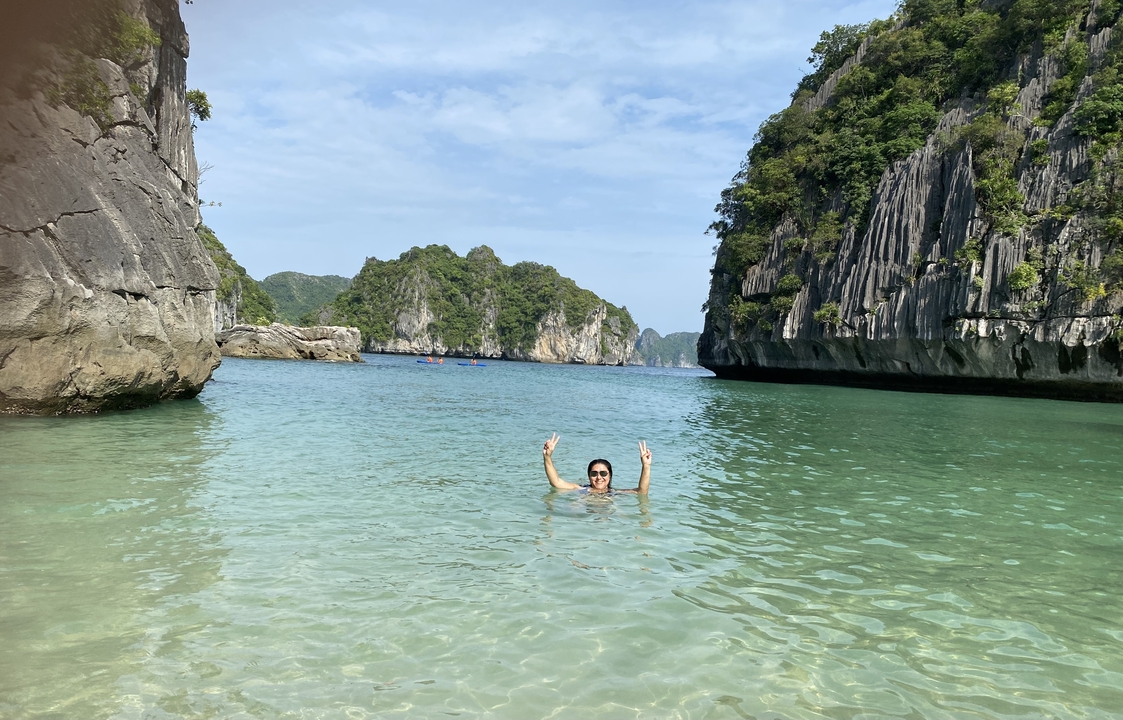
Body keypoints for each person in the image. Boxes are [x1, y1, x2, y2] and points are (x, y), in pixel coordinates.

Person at [542, 433, 651, 494]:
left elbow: (642, 491)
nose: (599, 477)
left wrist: (646, 466)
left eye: (603, 473)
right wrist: (547, 457)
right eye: (594, 474)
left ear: (610, 475)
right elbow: (556, 482)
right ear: (589, 476)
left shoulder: (614, 493)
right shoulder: (582, 489)